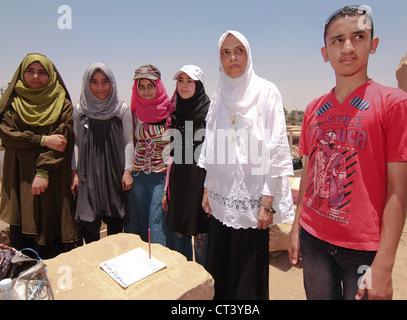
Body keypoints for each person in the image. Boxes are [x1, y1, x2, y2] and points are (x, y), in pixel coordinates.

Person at [288, 5, 407, 300]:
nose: (347, 47)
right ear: (325, 52)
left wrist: (384, 264)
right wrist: (297, 228)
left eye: (358, 36)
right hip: (314, 239)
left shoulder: (394, 103)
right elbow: (308, 173)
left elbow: (399, 189)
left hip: (363, 248)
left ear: (373, 44)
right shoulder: (313, 109)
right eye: (337, 40)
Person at [198, 31, 294, 300]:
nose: (233, 58)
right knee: (221, 268)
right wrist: (208, 189)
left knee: (246, 276)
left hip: (252, 204)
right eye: (225, 52)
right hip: (221, 199)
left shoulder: (266, 92)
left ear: (248, 54)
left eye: (239, 50)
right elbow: (212, 145)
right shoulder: (218, 96)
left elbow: (275, 148)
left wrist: (266, 201)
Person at [0, 53, 79, 259]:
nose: (36, 77)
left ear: (50, 75)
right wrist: (41, 140)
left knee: (53, 222)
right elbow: (7, 135)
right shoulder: (12, 102)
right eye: (30, 71)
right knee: (24, 224)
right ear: (22, 74)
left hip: (54, 174)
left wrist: (43, 172)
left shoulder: (61, 101)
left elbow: (62, 138)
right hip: (21, 174)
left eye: (42, 72)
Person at [71, 63, 133, 244]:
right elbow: (75, 145)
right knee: (89, 225)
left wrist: (127, 171)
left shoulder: (121, 109)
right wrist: (74, 174)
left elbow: (129, 141)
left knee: (115, 225)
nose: (100, 87)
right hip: (87, 174)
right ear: (87, 84)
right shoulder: (79, 110)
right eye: (94, 82)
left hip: (114, 174)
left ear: (111, 83)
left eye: (105, 81)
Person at [162, 65, 211, 266]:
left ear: (198, 85)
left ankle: (205, 283)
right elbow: (172, 157)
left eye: (189, 81)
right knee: (180, 236)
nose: (184, 85)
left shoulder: (210, 114)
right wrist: (167, 191)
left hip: (202, 185)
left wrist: (210, 191)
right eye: (180, 81)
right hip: (180, 184)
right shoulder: (175, 114)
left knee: (202, 238)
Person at [125, 65, 174, 247]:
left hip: (161, 178)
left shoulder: (170, 112)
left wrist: (170, 185)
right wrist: (128, 172)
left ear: (158, 86)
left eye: (150, 85)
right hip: (139, 177)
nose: (146, 91)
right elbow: (131, 142)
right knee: (135, 225)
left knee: (157, 226)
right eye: (142, 86)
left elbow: (177, 152)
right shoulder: (135, 111)